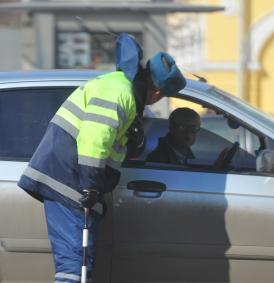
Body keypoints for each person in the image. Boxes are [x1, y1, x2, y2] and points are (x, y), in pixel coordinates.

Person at [17, 33, 186, 283]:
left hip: (72, 180)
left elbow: (109, 143)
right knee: (74, 266)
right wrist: (90, 185)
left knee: (81, 260)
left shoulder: (122, 89)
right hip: (69, 181)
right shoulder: (120, 93)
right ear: (158, 92)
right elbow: (94, 141)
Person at [146, 107, 229, 168]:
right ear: (171, 127)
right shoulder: (159, 160)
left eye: (194, 129)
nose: (188, 133)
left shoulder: (180, 154)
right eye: (182, 127)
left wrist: (216, 167)